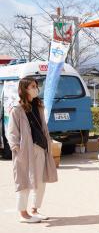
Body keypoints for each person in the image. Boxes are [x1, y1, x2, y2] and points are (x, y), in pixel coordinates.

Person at [7, 77, 58, 223]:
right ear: (24, 89)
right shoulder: (17, 109)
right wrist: (16, 149)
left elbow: (43, 127)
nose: (36, 88)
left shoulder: (38, 106)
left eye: (36, 86)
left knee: (40, 181)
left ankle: (35, 209)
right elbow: (11, 132)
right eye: (32, 86)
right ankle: (23, 214)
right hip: (25, 151)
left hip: (41, 148)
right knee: (25, 181)